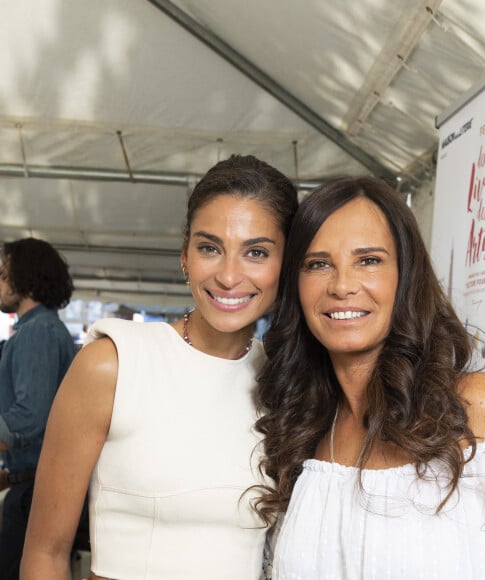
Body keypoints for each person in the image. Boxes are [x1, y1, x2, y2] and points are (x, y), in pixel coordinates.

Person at [255, 176, 485, 579]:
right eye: (318, 264)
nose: (341, 285)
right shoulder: (305, 428)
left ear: (406, 275)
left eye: (368, 260)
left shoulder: (479, 411)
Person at [21, 155, 298, 580]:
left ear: (286, 264)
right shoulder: (112, 363)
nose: (228, 275)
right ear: (184, 253)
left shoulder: (287, 383)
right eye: (210, 248)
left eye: (256, 252)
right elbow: (46, 553)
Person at [0, 238, 77, 580]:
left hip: (35, 493)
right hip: (29, 486)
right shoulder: (38, 330)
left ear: (26, 279)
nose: (0, 284)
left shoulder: (38, 333)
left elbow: (29, 418)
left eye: (4, 275)